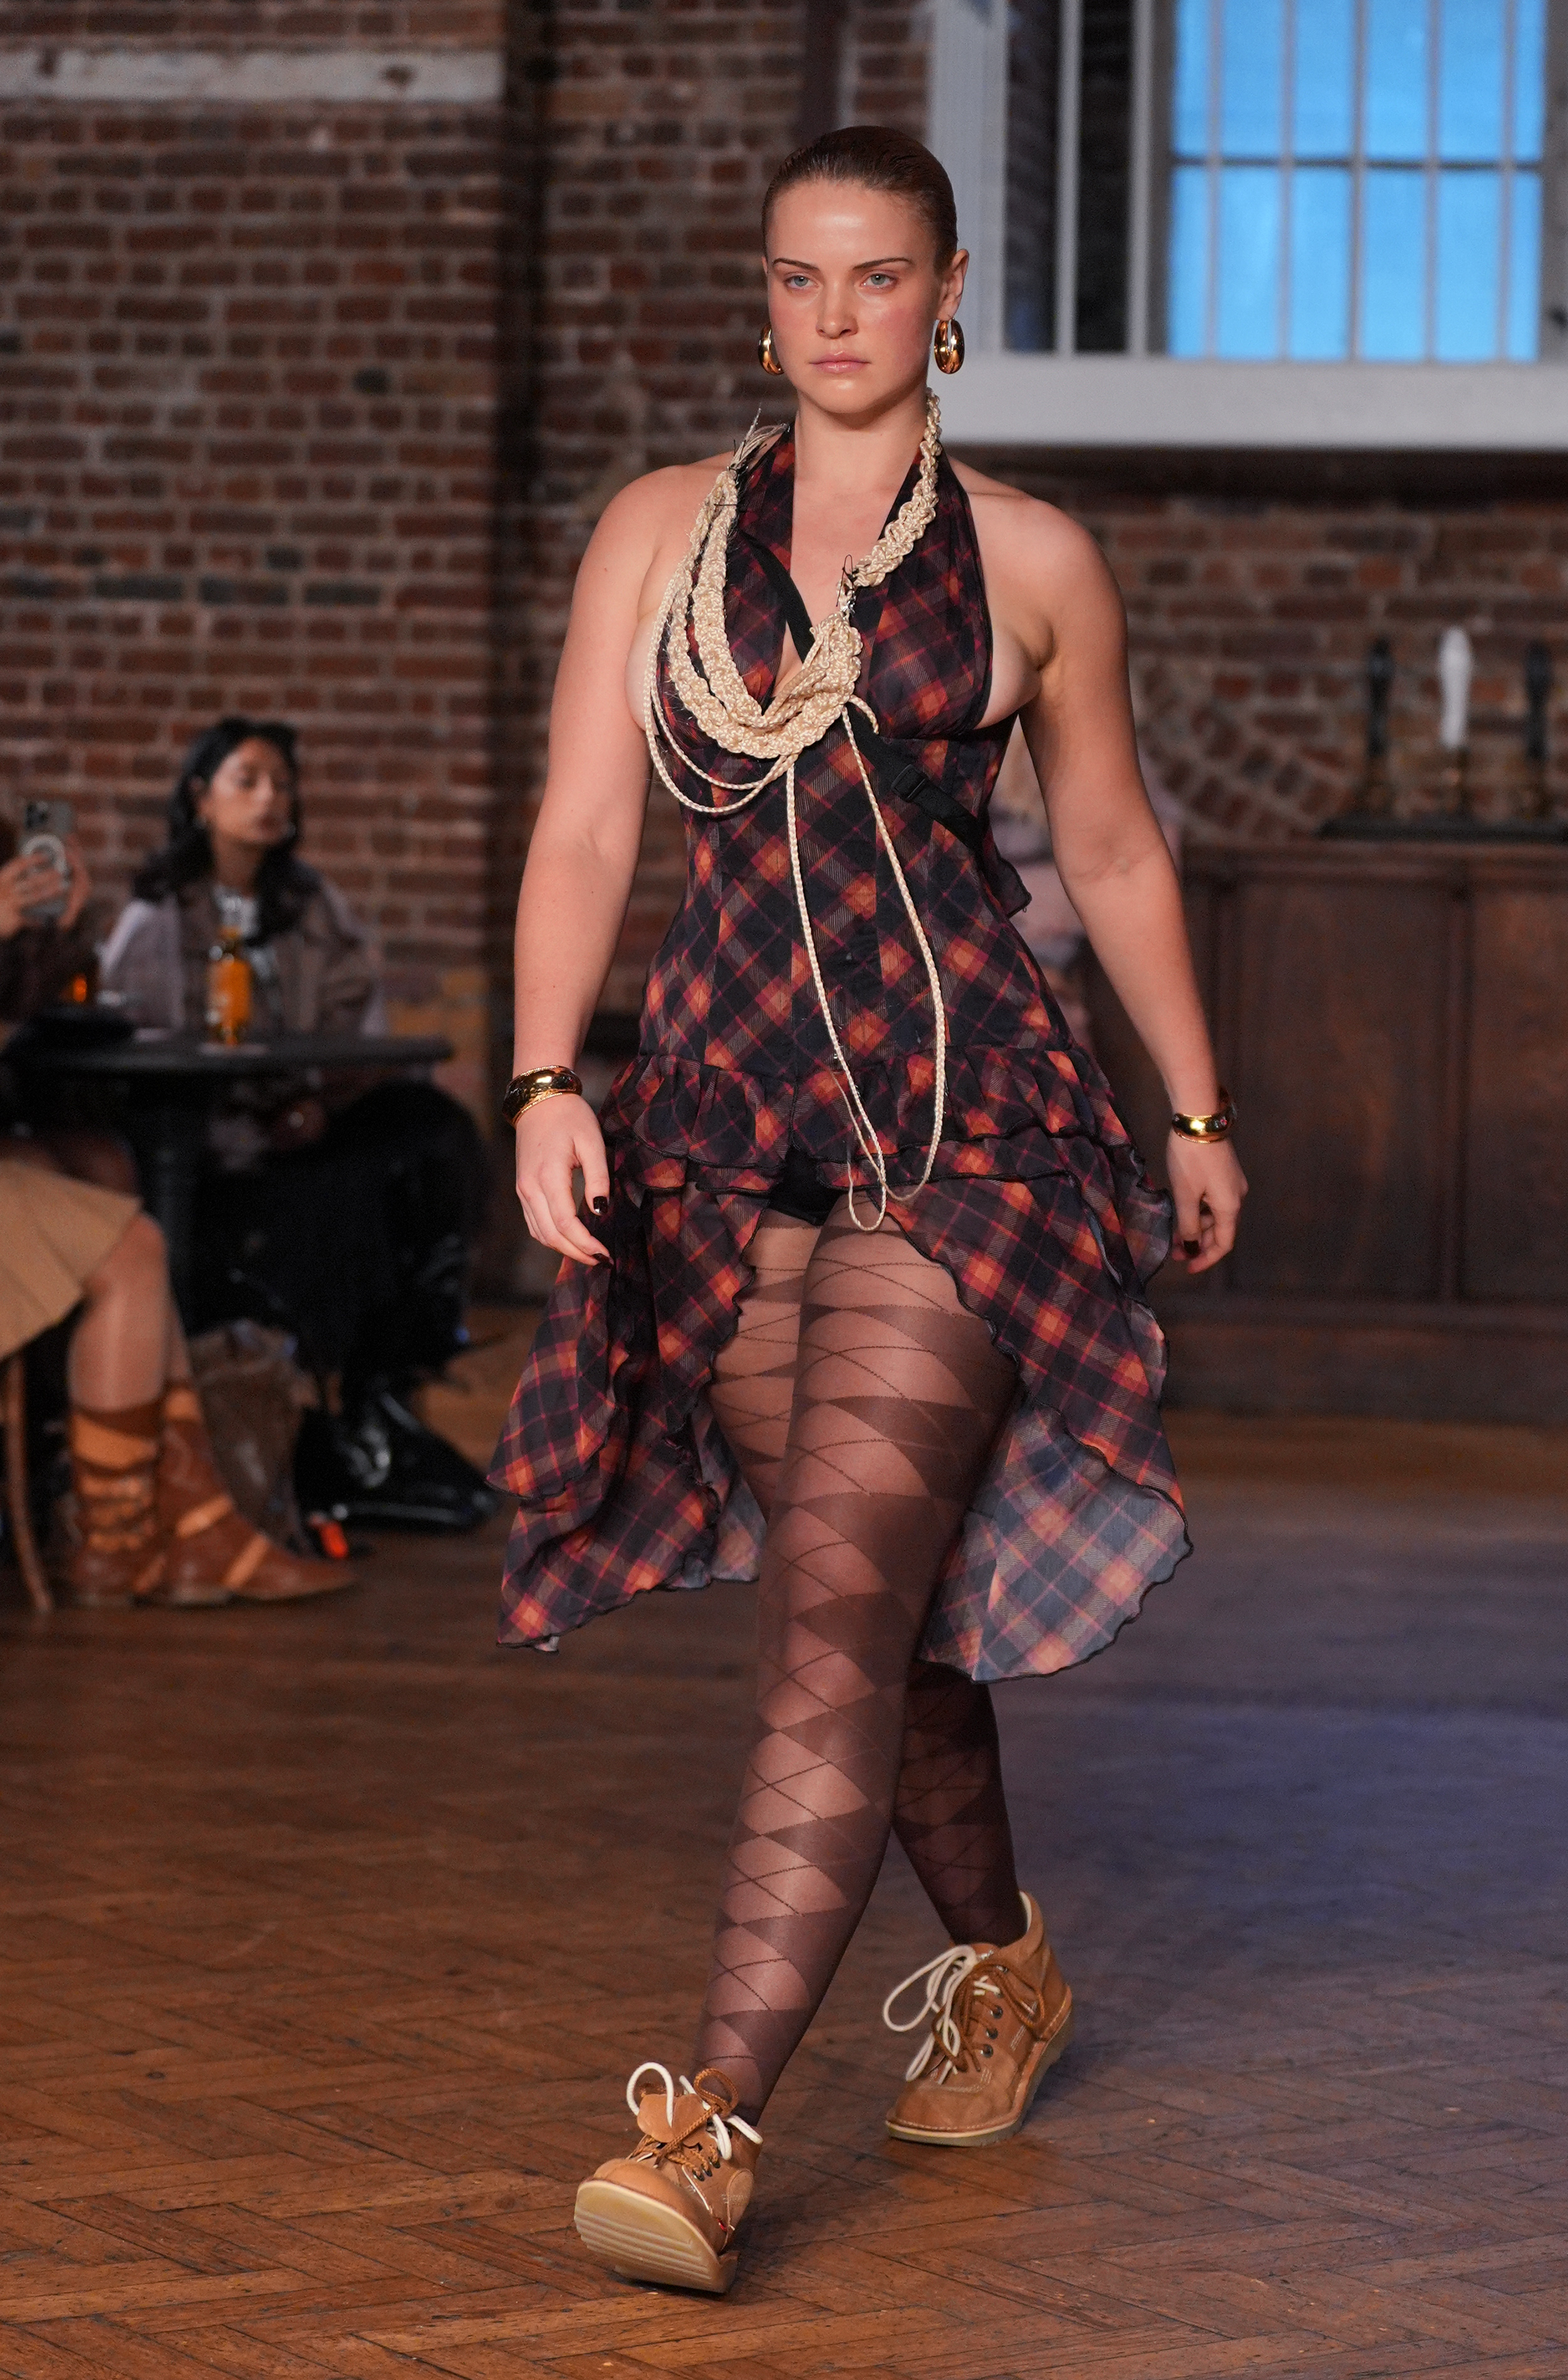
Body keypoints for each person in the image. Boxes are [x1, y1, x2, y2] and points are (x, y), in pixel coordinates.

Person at [493, 126, 1247, 2295]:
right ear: (766, 300)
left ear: (946, 299)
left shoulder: (1029, 562)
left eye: (876, 278)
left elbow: (1104, 854)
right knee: (882, 1615)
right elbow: (576, 826)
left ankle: (707, 2127)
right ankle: (999, 1963)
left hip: (968, 1133)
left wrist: (1188, 1105)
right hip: (722, 1132)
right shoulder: (659, 535)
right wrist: (548, 1079)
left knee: (829, 1601)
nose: (836, 316)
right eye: (798, 279)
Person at [101, 718, 494, 1531]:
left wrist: (322, 1102)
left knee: (430, 1129)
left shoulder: (311, 904)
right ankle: (298, 1421)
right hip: (208, 1148)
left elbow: (364, 1031)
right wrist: (250, 1120)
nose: (270, 798)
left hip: (308, 1127)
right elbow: (135, 1051)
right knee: (323, 1206)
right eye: (246, 781)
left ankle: (388, 1388)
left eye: (281, 783)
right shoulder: (160, 913)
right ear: (198, 798)